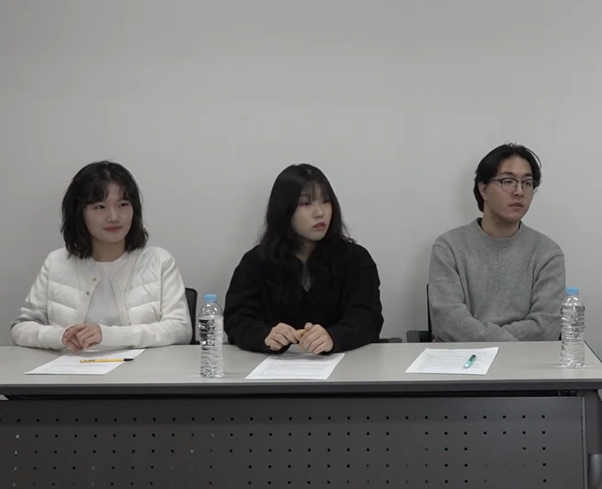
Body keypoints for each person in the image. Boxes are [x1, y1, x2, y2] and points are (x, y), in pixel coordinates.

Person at [11, 161, 191, 351]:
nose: (114, 217)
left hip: (143, 369)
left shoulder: (159, 261)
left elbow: (180, 329)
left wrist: (109, 336)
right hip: (71, 367)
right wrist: (60, 336)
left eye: (123, 204)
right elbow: (21, 328)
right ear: (79, 213)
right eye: (99, 207)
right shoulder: (56, 262)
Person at [224, 164, 383, 354]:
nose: (320, 212)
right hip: (274, 367)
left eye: (326, 201)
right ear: (284, 210)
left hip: (344, 365)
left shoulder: (356, 259)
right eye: (306, 204)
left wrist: (334, 337)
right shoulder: (256, 262)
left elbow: (367, 319)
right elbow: (237, 319)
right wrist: (265, 336)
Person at [428, 143, 565, 342]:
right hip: (460, 357)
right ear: (483, 189)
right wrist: (502, 342)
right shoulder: (449, 247)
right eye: (508, 181)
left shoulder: (547, 253)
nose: (519, 191)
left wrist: (496, 343)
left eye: (527, 183)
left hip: (525, 358)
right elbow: (447, 320)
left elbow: (546, 326)